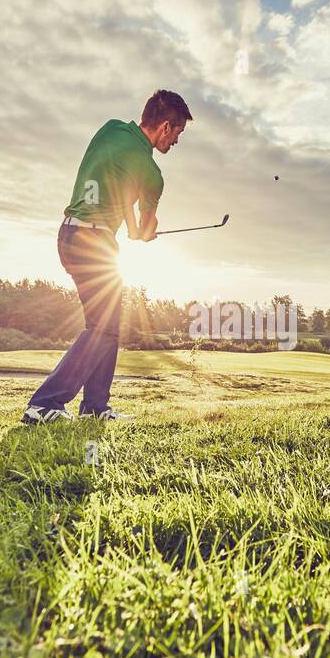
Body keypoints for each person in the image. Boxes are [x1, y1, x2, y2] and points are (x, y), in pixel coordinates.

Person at [21, 90, 192, 424]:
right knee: (103, 326)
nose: (176, 142)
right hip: (94, 242)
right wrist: (144, 231)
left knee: (106, 324)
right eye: (178, 134)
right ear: (166, 126)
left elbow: (116, 185)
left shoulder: (110, 129)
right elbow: (143, 228)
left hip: (69, 235)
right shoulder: (153, 175)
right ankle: (45, 403)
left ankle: (95, 407)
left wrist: (129, 224)